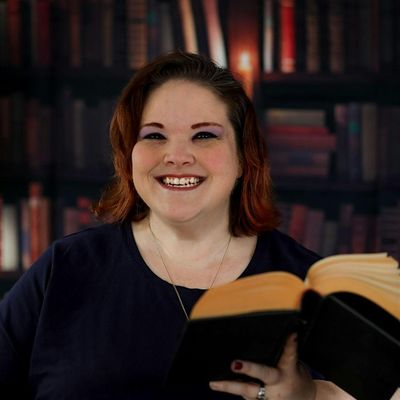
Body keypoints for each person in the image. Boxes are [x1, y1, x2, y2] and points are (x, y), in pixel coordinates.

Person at [0, 51, 356, 400]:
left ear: (243, 158)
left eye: (204, 135)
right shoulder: (65, 268)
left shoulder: (313, 286)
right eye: (154, 136)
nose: (177, 156)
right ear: (128, 156)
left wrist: (313, 395)